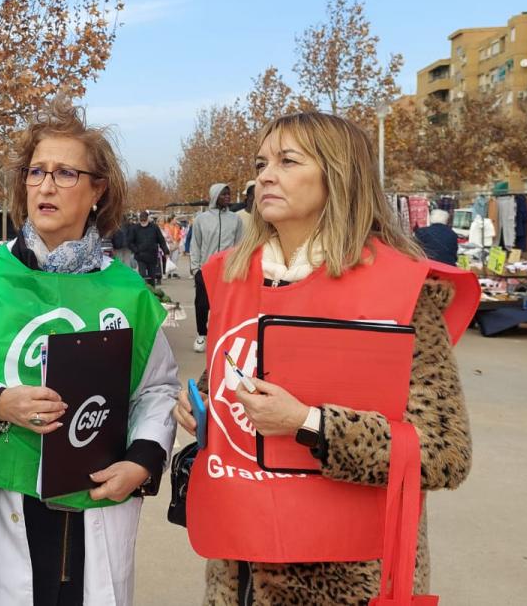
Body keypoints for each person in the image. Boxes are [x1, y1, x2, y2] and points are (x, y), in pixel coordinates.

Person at [171, 112, 477, 604]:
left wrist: (309, 423)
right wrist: (202, 404)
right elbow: (229, 378)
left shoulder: (400, 292)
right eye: (261, 161)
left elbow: (445, 452)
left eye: (287, 161)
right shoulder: (232, 277)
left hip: (347, 577)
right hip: (239, 564)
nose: (264, 175)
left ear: (339, 175)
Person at [0, 97, 180, 606]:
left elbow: (157, 389)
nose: (46, 185)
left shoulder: (129, 293)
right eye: (36, 172)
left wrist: (143, 460)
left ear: (98, 189)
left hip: (93, 503)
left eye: (65, 173)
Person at [188, 183, 242, 352]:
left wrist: (237, 267)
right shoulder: (201, 219)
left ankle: (221, 335)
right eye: (223, 194)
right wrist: (195, 269)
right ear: (214, 196)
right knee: (202, 304)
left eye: (229, 194)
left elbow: (239, 244)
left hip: (227, 270)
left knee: (225, 305)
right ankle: (202, 334)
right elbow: (195, 245)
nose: (228, 197)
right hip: (205, 269)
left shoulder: (235, 220)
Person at [131, 210, 169, 287]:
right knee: (142, 275)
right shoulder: (135, 228)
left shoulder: (154, 228)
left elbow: (161, 240)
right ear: (139, 220)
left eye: (144, 221)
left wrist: (166, 252)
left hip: (152, 256)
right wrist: (136, 250)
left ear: (148, 219)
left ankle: (152, 292)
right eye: (142, 221)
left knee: (152, 277)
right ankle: (143, 291)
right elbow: (130, 242)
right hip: (140, 256)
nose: (143, 223)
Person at [160, 213, 183, 278]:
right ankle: (168, 272)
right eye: (175, 219)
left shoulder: (177, 227)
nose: (176, 221)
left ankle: (174, 273)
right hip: (168, 244)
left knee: (175, 258)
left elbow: (179, 235)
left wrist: (178, 242)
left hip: (175, 244)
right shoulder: (165, 226)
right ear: (171, 219)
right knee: (168, 258)